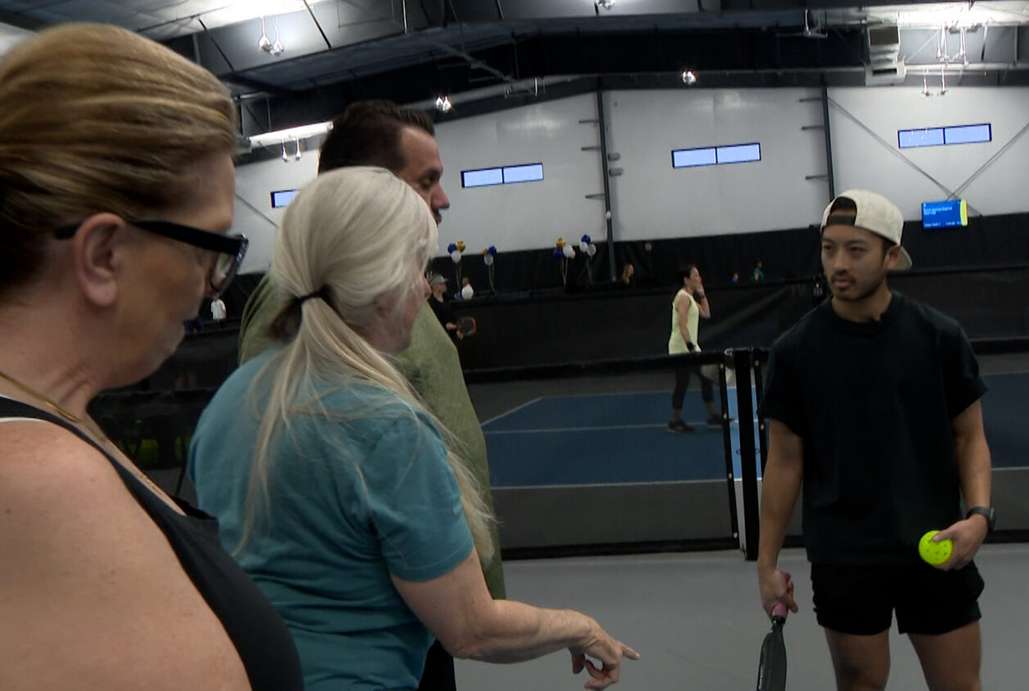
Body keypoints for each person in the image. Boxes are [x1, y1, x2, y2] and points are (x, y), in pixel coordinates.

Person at [190, 168, 638, 690]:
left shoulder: (229, 402)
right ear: (380, 285)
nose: (426, 288)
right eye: (417, 268)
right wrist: (580, 627)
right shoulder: (386, 428)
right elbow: (473, 630)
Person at [0, 23, 301, 690]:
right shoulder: (41, 479)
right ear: (104, 254)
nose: (209, 283)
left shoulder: (50, 423)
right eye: (207, 249)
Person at [236, 100, 506, 688]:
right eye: (427, 181)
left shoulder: (389, 290)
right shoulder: (300, 304)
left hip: (425, 617)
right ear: (368, 190)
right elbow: (290, 486)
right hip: (373, 634)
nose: (444, 199)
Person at [757, 189, 993, 691]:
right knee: (860, 685)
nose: (838, 264)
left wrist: (979, 517)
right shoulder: (794, 353)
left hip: (937, 545)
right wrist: (767, 563)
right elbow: (783, 463)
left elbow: (970, 437)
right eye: (829, 249)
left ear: (890, 256)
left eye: (856, 250)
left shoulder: (941, 338)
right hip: (845, 555)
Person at [666, 264, 721, 432]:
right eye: (695, 275)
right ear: (686, 279)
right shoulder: (682, 297)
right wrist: (691, 347)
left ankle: (712, 416)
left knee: (705, 378)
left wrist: (702, 295)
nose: (699, 278)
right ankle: (675, 421)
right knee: (683, 382)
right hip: (681, 348)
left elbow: (706, 314)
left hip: (690, 346)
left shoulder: (690, 298)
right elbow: (682, 324)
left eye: (699, 275)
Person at [428, 272, 462, 342]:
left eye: (444, 283)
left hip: (452, 337)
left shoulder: (448, 299)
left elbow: (453, 317)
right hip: (438, 338)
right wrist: (445, 326)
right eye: (441, 284)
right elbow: (432, 322)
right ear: (434, 286)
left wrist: (457, 330)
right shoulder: (430, 303)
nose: (445, 285)